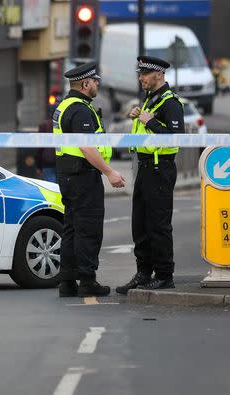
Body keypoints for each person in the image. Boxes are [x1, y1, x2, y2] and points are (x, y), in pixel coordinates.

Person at [54, 62, 126, 298]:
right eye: (95, 81)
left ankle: (67, 282)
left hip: (68, 175)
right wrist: (109, 172)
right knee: (88, 229)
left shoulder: (64, 106)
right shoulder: (81, 110)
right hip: (83, 176)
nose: (97, 85)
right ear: (85, 84)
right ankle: (87, 281)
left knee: (72, 228)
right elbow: (87, 147)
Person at [116, 56, 184, 294]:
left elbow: (176, 137)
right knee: (140, 224)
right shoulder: (149, 100)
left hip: (160, 169)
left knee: (159, 224)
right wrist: (139, 117)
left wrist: (151, 121)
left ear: (159, 75)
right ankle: (144, 273)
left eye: (145, 73)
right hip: (144, 167)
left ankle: (165, 275)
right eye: (140, 73)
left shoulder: (170, 102)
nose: (141, 78)